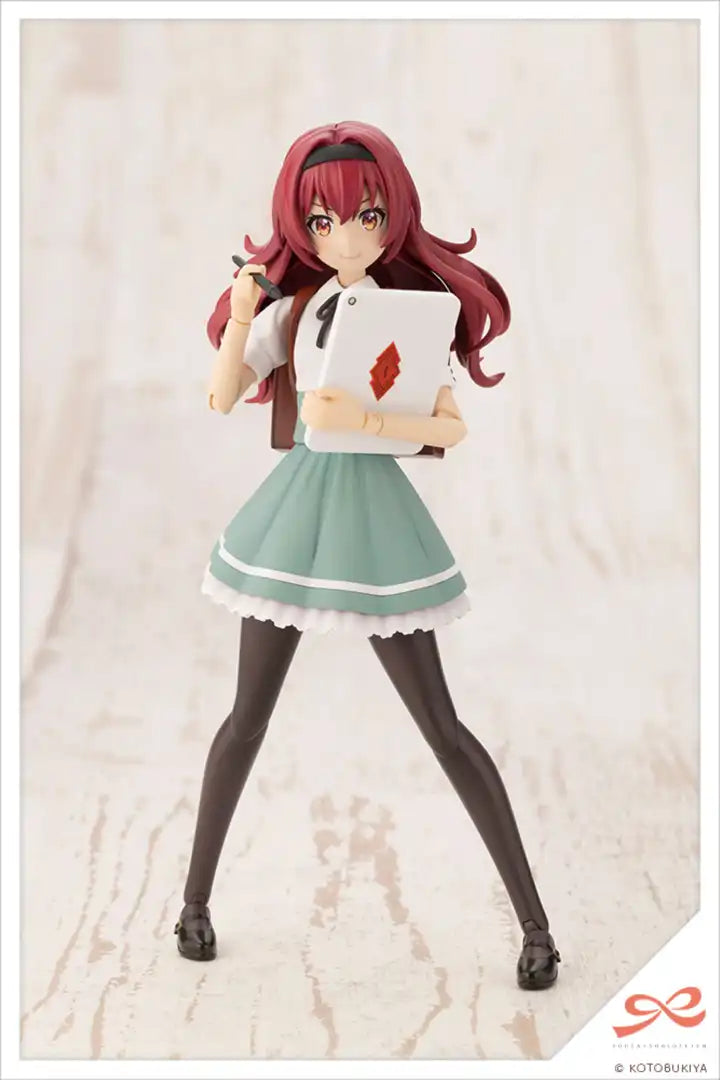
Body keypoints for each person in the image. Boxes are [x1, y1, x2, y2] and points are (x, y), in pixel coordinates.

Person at [174, 121, 561, 990]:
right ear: (301, 227)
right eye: (323, 221)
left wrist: (365, 421)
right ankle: (193, 901)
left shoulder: (410, 314)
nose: (345, 237)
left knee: (443, 728)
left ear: (393, 218)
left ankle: (536, 926)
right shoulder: (296, 311)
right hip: (297, 516)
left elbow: (448, 427)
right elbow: (223, 395)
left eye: (365, 216)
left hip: (377, 523)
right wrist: (242, 318)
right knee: (247, 719)